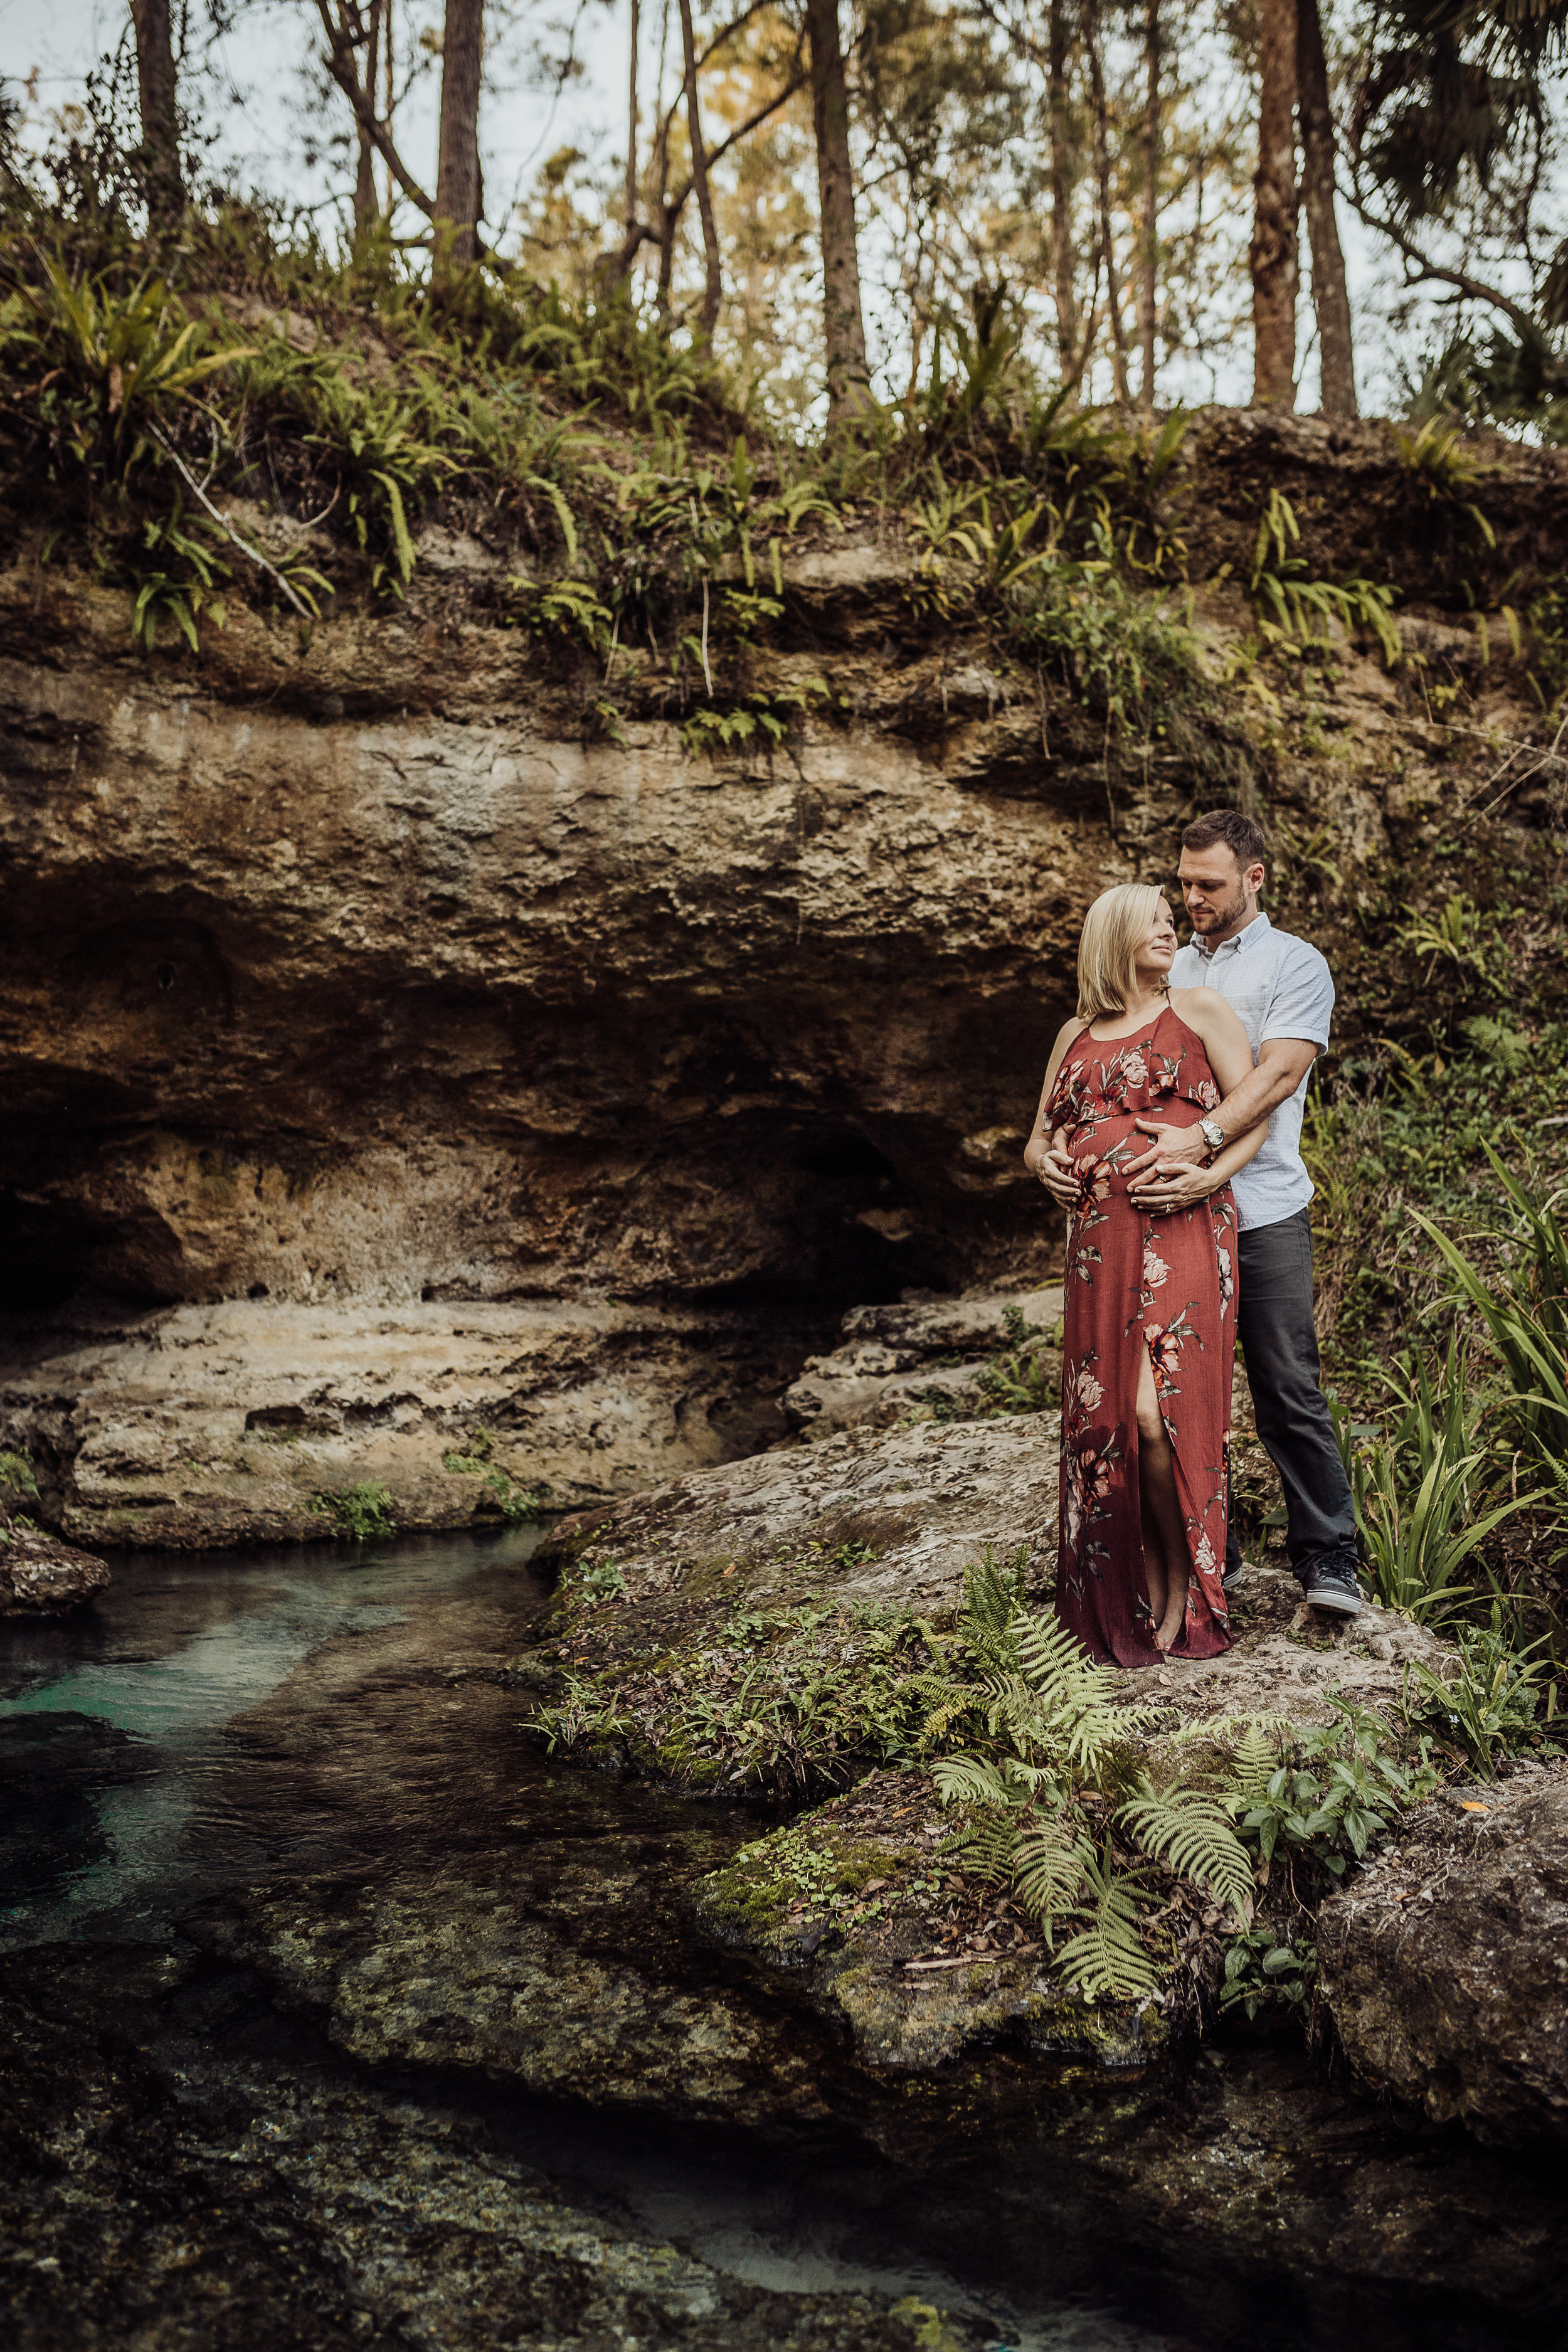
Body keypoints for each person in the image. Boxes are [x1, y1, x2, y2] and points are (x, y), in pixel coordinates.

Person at [1042, 810, 1362, 1618]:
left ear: (1253, 878)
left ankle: (1329, 1558)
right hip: (1158, 1224)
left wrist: (1201, 1145)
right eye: (1182, 884)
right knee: (1176, 1392)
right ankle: (1212, 1554)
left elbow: (1278, 1076)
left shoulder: (1295, 964)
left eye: (1206, 885)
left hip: (1260, 1209)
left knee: (1285, 1383)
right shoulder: (1163, 964)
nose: (1190, 899)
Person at [1025, 884, 1268, 1666]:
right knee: (1116, 1425)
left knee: (1159, 1418)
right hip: (1099, 1245)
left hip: (1184, 1228)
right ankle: (1138, 1583)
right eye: (1157, 925)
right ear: (1115, 935)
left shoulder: (1198, 1012)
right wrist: (1048, 1167)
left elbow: (1252, 1115)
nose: (1173, 932)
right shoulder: (1073, 1033)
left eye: (1173, 924)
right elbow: (1035, 1142)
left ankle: (1182, 1589)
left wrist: (1205, 1176)